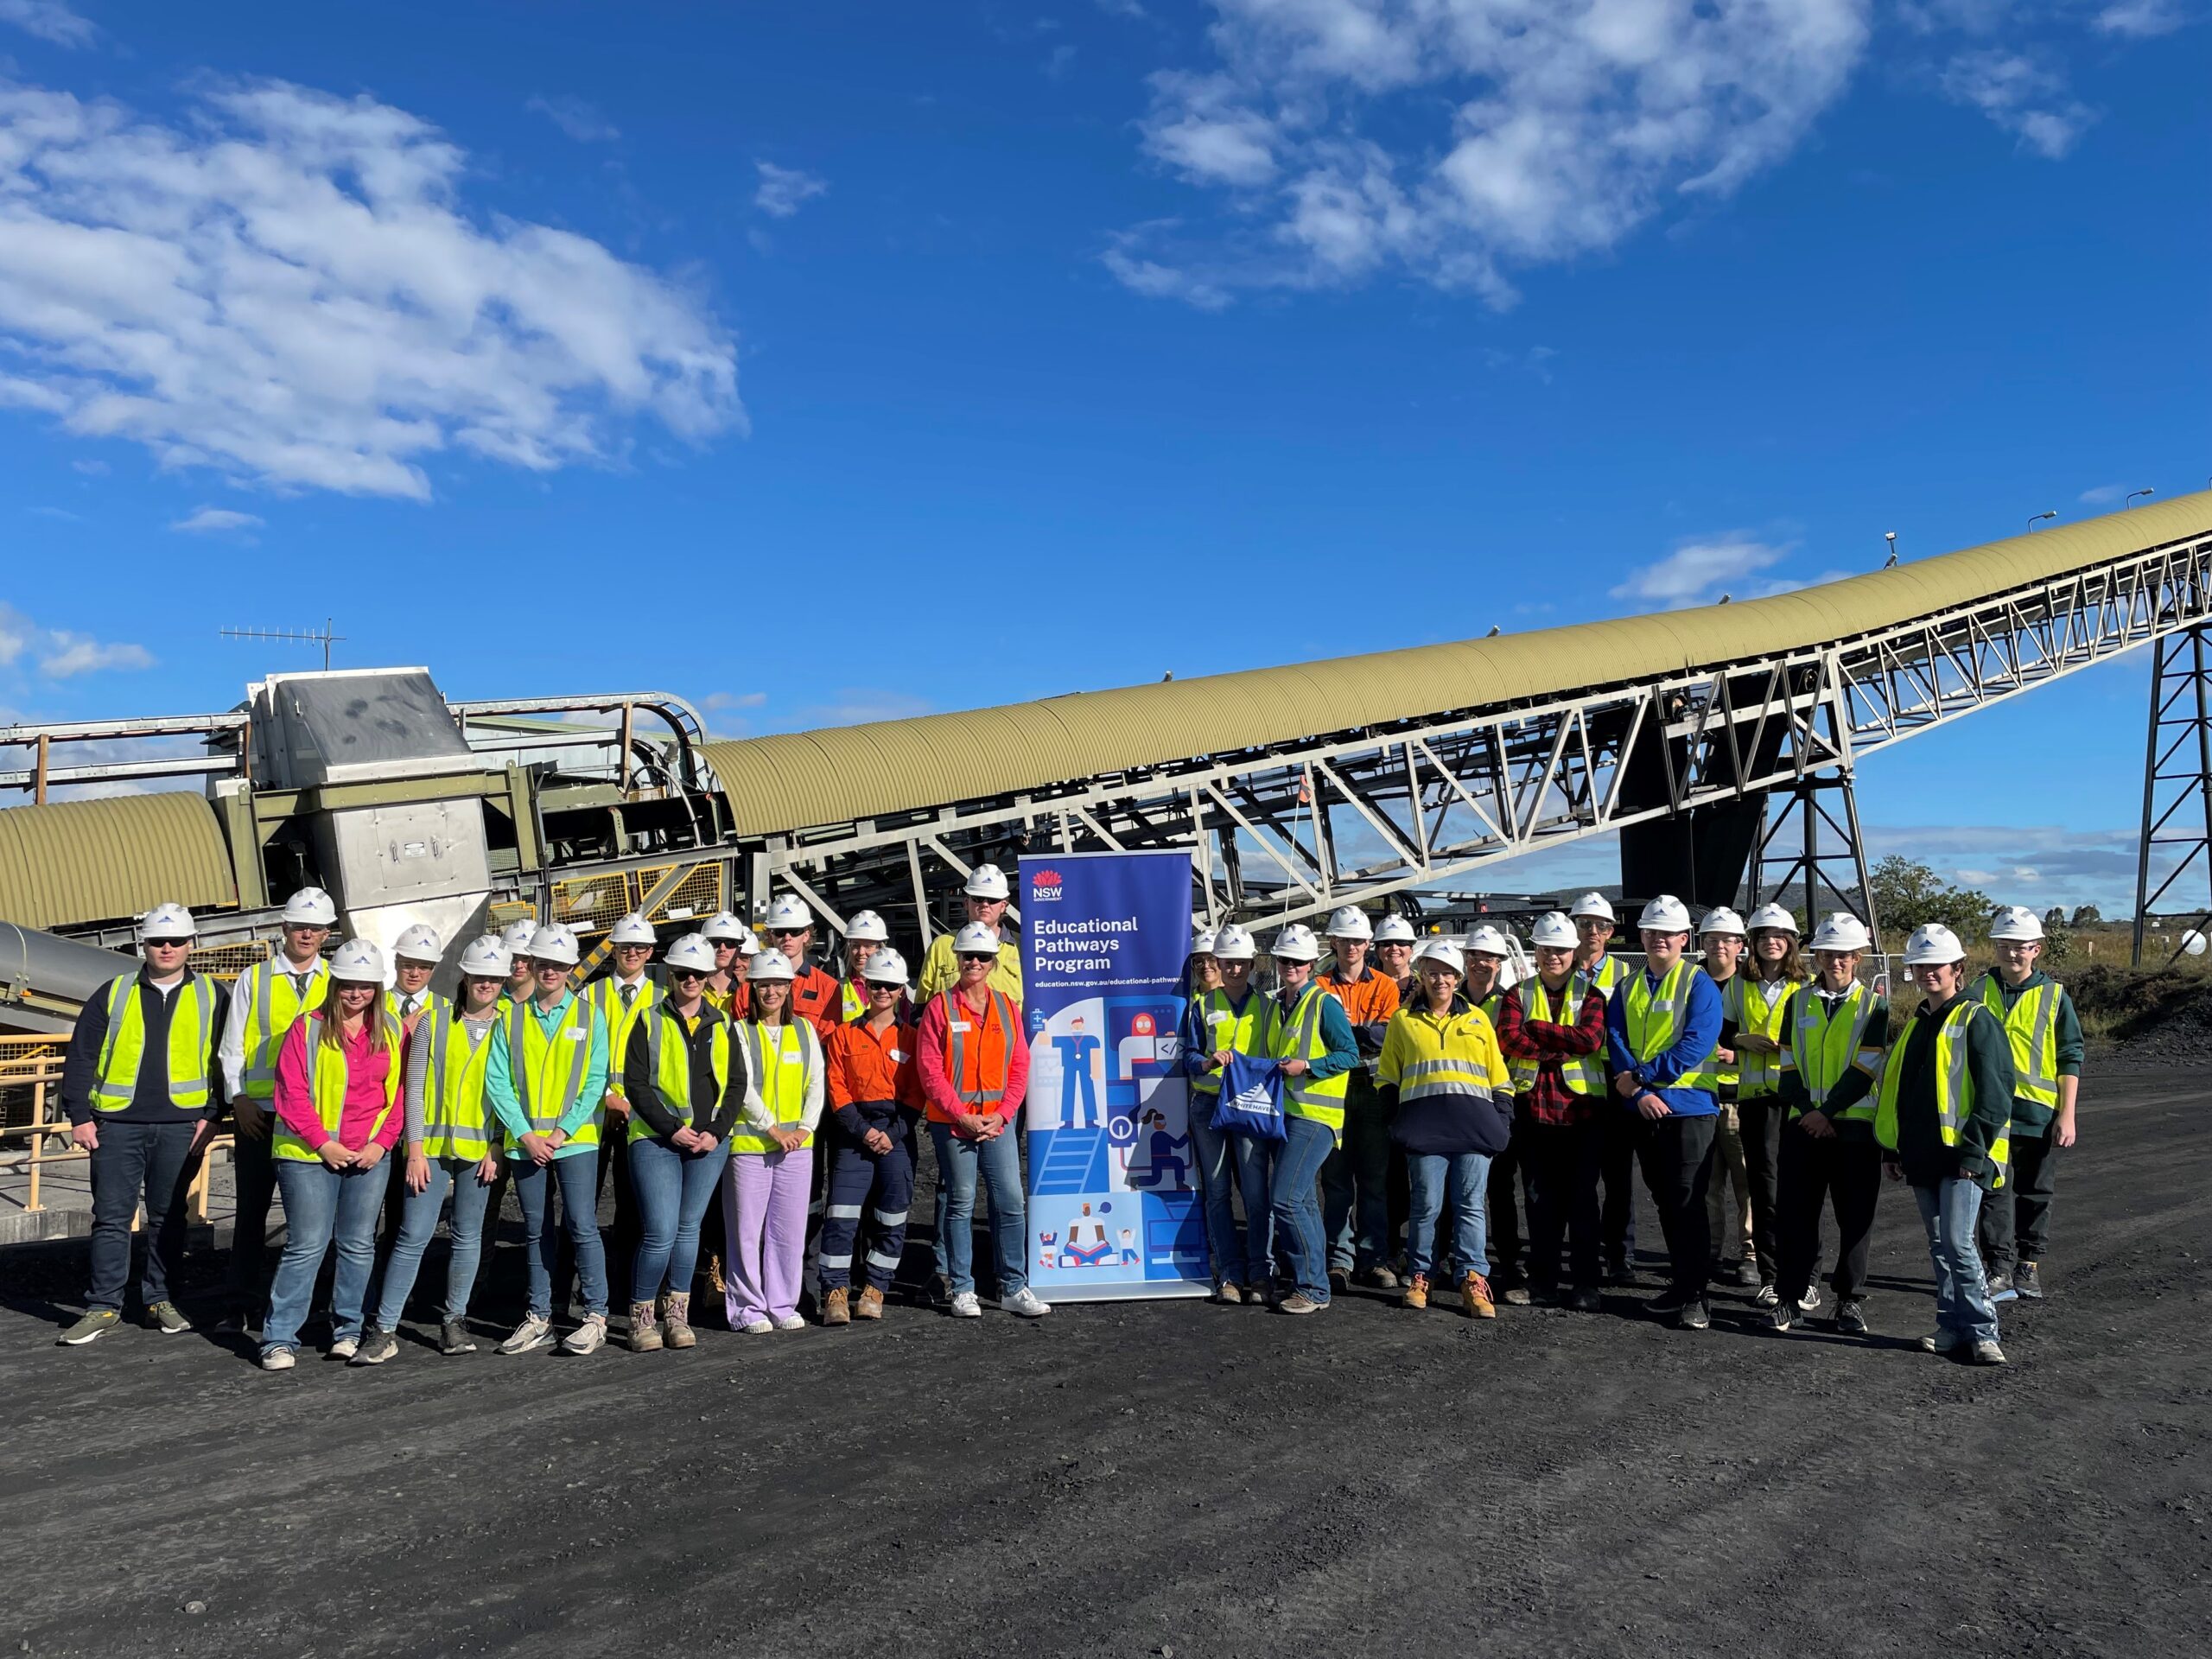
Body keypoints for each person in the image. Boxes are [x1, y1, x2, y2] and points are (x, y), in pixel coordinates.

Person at [54, 903, 227, 1345]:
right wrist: (79, 1117)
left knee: (168, 1218)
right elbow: (82, 1056)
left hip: (181, 1127)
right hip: (116, 1125)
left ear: (192, 944)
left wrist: (213, 1117)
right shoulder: (114, 992)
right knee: (111, 1218)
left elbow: (228, 1062)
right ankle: (103, 1306)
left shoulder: (213, 995)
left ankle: (160, 1299)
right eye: (156, 941)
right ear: (143, 945)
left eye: (175, 941)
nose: (166, 948)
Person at [356, 933, 511, 1363]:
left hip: (480, 1150)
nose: (487, 984)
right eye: (479, 975)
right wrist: (416, 1150)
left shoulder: (510, 1025)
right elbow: (416, 1086)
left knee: (466, 1236)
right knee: (412, 1235)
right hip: (432, 1150)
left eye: (495, 978)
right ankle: (384, 1328)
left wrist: (496, 1146)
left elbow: (510, 1092)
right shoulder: (433, 1020)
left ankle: (454, 1322)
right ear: (464, 975)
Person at [1873, 923, 2016, 1365]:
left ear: (1957, 969)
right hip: (1921, 1153)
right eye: (1919, 965)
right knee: (1940, 1244)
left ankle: (1982, 1330)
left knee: (1957, 1241)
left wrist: (1974, 1152)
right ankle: (1950, 1326)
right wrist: (1893, 1150)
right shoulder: (1917, 1023)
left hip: (1963, 1157)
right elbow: (1901, 1093)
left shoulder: (1976, 1019)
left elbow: (1996, 1093)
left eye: (1936, 965)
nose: (1927, 972)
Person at [257, 940, 403, 1370]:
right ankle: (279, 1338)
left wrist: (381, 1144)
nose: (356, 994)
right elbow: (291, 1093)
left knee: (358, 1245)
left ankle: (349, 1331)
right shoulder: (307, 1029)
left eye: (365, 986)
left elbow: (400, 1097)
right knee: (306, 1245)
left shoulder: (392, 1031)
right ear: (334, 984)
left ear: (376, 988)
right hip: (308, 1154)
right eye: (348, 985)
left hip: (369, 1155)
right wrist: (324, 1143)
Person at [483, 921, 613, 1357]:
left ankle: (596, 1314)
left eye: (559, 964)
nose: (550, 970)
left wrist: (558, 1133)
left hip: (573, 1141)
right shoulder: (512, 1019)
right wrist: (524, 1134)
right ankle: (539, 1315)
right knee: (537, 1228)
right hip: (527, 1144)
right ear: (533, 965)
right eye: (543, 962)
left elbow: (594, 1082)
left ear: (571, 967)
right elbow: (498, 1081)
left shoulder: (590, 1017)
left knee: (581, 1225)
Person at [214, 885, 335, 1332]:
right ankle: (240, 1304)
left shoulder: (337, 979)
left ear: (325, 934)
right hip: (260, 1114)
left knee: (317, 1220)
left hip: (316, 1117)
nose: (307, 934)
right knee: (251, 1212)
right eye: (300, 925)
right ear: (284, 927)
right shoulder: (255, 978)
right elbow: (233, 1044)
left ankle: (318, 1303)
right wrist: (238, 1098)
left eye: (316, 928)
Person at [918, 921, 1050, 1318]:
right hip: (954, 1123)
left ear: (994, 962)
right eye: (968, 955)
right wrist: (961, 1114)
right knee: (960, 1203)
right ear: (957, 959)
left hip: (997, 1122)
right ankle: (962, 1288)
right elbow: (929, 1069)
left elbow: (1019, 1066)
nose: (974, 962)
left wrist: (1004, 1114)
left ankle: (1014, 1286)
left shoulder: (1008, 1008)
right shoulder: (940, 1007)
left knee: (1010, 1201)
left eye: (982, 957)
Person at [1769, 914, 1889, 1338]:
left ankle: (1850, 1301)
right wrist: (1809, 1109)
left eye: (1844, 955)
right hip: (1804, 1126)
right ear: (1816, 955)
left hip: (1854, 1129)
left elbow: (1867, 1066)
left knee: (1855, 1219)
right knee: (1795, 1216)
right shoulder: (1797, 1002)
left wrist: (1829, 1111)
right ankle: (1790, 1295)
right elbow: (1786, 1063)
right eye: (1828, 954)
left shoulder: (1874, 1006)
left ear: (1857, 958)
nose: (1835, 961)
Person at [1606, 894, 1724, 1331]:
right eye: (1652, 931)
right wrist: (1637, 1094)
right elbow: (1615, 1038)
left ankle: (1697, 1296)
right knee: (1666, 1203)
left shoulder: (1698, 983)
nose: (1659, 938)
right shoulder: (1628, 986)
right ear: (1642, 936)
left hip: (1689, 1111)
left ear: (1683, 938)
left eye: (1668, 932)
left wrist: (1643, 1080)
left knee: (1687, 1203)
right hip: (1644, 1109)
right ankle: (1681, 1286)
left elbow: (1698, 1042)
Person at [1377, 939, 1512, 1318]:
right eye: (1432, 972)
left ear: (1458, 977)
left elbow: (1498, 1077)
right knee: (1426, 1207)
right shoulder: (1404, 1021)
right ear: (1422, 976)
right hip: (1425, 1133)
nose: (1440, 980)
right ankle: (1422, 1275)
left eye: (1447, 973)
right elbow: (1387, 1077)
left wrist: (1500, 1122)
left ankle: (1473, 1279)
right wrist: (1398, 1124)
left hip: (1474, 1130)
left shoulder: (1477, 1020)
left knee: (1470, 1207)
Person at [624, 933, 742, 1352]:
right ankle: (641, 1317)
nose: (690, 979)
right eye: (682, 973)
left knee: (688, 1227)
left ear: (710, 975)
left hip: (708, 1141)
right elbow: (636, 1084)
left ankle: (677, 1315)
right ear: (671, 974)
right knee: (660, 1231)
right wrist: (671, 1126)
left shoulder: (723, 1023)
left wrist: (717, 1130)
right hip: (656, 1139)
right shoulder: (648, 1020)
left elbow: (736, 1084)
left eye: (697, 973)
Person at [1491, 911, 1609, 1312]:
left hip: (1582, 1113)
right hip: (1533, 1109)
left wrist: (1538, 1029)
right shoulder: (1517, 993)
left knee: (1581, 1202)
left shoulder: (1592, 995)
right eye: (1546, 949)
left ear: (1573, 952)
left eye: (1560, 950)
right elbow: (1507, 1039)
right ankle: (1542, 1282)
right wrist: (1557, 1048)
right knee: (1539, 1200)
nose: (1553, 956)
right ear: (1536, 952)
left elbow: (1591, 1039)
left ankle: (1585, 1285)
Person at [1972, 906, 2083, 1303]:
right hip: (1989, 1114)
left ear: (2036, 949)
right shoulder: (1977, 991)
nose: (2011, 953)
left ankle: (2029, 1264)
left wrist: (2066, 1115)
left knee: (2036, 1193)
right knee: (1993, 1192)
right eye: (2004, 945)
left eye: (2020, 946)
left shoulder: (2054, 996)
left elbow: (2070, 1055)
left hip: (2037, 1114)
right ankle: (1998, 1268)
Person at [1256, 924, 1359, 1317]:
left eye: (1298, 961)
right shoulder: (1279, 1004)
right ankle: (1314, 1283)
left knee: (1285, 1199)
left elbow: (1349, 1054)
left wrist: (1308, 1067)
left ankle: (1312, 1287)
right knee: (1304, 1204)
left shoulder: (1323, 1003)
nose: (1290, 966)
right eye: (1285, 959)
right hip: (1287, 1116)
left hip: (1315, 1117)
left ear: (1312, 963)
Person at [722, 950, 825, 1332]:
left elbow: (817, 1082)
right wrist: (772, 1128)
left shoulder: (804, 1030)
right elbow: (742, 1086)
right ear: (752, 988)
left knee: (789, 1229)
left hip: (796, 1148)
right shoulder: (739, 1031)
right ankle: (747, 1308)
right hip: (750, 1146)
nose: (771, 991)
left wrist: (804, 1128)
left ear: (789, 987)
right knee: (747, 1232)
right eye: (764, 984)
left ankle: (782, 1304)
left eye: (779, 984)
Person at [820, 946, 924, 1324]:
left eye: (890, 986)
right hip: (854, 1133)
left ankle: (875, 1287)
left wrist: (891, 1135)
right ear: (864, 987)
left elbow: (917, 1094)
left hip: (895, 1132)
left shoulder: (913, 1039)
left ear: (901, 991)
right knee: (842, 1216)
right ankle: (834, 1291)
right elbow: (837, 1088)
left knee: (892, 1216)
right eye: (876, 984)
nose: (882, 992)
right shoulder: (844, 1036)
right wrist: (865, 1133)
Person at [582, 911, 662, 1319]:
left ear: (650, 952)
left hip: (640, 1117)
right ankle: (578, 1291)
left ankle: (627, 1291)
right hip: (594, 1113)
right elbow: (576, 1062)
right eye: (625, 946)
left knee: (634, 1209)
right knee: (582, 1208)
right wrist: (606, 1098)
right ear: (613, 948)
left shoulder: (663, 999)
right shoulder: (589, 995)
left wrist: (634, 1103)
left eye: (640, 947)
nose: (632, 953)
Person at [1318, 906, 1402, 1294]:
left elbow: (1386, 1036)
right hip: (1331, 1089)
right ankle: (1339, 1260)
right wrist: (1361, 1034)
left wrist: (1343, 1035)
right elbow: (1321, 1035)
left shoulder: (1386, 985)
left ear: (1368, 944)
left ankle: (1373, 1259)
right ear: (1332, 941)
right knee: (1335, 1181)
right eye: (1344, 939)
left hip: (1371, 1088)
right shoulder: (1318, 984)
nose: (1351, 946)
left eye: (1357, 940)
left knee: (1373, 1179)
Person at [1733, 903, 1807, 1310]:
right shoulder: (1739, 985)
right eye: (1763, 936)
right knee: (1764, 1190)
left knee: (1797, 1190)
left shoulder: (1806, 986)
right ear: (1753, 943)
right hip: (1756, 1102)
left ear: (1791, 942)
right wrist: (1741, 1040)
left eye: (1778, 935)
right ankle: (1771, 1276)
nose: (1771, 942)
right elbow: (1723, 1030)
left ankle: (1804, 1276)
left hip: (1796, 1100)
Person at [1182, 926, 1260, 1303]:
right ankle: (1229, 1274)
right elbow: (1188, 1056)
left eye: (1239, 963)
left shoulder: (1269, 1007)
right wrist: (1207, 1062)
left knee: (1255, 1192)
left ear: (1250, 965)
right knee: (1216, 1193)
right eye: (1227, 963)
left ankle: (1262, 1273)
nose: (1233, 969)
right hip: (1209, 1105)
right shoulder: (1201, 1007)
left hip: (1251, 1107)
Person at [1569, 891, 1638, 1284]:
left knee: (1618, 1178)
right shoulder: (1560, 970)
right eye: (1584, 924)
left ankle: (1620, 1255)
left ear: (1610, 933)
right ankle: (1586, 1252)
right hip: (1575, 1087)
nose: (1592, 931)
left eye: (1599, 926)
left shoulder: (1625, 976)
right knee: (1581, 1178)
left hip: (1615, 1086)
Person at [1690, 907, 1755, 1290]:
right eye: (1712, 939)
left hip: (1737, 1098)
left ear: (1739, 945)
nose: (1718, 946)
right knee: (1706, 1185)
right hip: (1698, 1097)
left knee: (1747, 1184)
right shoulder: (1690, 982)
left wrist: (1737, 1055)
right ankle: (1710, 1250)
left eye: (1726, 940)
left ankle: (1749, 1256)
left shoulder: (1750, 984)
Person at [379, 922, 449, 1245]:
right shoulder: (372, 1003)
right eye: (408, 964)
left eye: (423, 966)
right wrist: (401, 1032)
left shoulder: (447, 1010)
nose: (415, 973)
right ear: (396, 963)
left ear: (433, 969)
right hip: (375, 1119)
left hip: (418, 1124)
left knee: (406, 1214)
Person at [917, 863, 1022, 1000]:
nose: (985, 904)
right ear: (966, 902)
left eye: (992, 900)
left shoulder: (1022, 948)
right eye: (978, 898)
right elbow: (922, 1004)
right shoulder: (941, 946)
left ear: (1004, 906)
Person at [760, 893, 849, 1041]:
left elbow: (827, 1045)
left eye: (795, 931)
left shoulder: (827, 987)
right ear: (771, 936)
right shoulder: (750, 987)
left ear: (806, 935)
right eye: (781, 932)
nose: (787, 937)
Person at [838, 909, 893, 1022]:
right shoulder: (837, 988)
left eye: (868, 946)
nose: (861, 952)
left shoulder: (894, 989)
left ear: (880, 949)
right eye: (855, 945)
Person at [698, 912, 756, 1020]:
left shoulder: (749, 994)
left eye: (730, 943)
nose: (722, 948)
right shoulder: (692, 989)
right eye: (715, 942)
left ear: (738, 951)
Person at [498, 918, 538, 1007]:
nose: (519, 965)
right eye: (514, 957)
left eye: (526, 958)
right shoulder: (489, 995)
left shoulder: (547, 999)